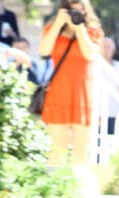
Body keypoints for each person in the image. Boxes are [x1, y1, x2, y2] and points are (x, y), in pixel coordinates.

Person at [38, 0, 104, 171]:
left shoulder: (93, 32)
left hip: (82, 95)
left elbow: (90, 54)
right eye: (70, 8)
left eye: (79, 7)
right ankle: (54, 192)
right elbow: (44, 51)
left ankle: (79, 192)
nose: (75, 11)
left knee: (80, 152)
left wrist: (79, 28)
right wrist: (59, 22)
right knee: (57, 150)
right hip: (58, 93)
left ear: (85, 9)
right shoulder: (54, 29)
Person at [100, 36, 119, 134]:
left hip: (114, 112)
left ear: (113, 50)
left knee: (112, 143)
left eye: (109, 47)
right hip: (97, 113)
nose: (106, 50)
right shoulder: (93, 65)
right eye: (104, 47)